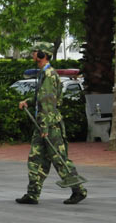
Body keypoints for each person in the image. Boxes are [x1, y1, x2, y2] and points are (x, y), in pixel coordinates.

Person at [16, 43, 87, 205]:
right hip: (43, 124)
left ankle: (79, 190)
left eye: (35, 52)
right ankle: (33, 194)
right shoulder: (43, 74)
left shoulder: (48, 75)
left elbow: (48, 103)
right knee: (35, 158)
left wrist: (45, 127)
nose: (33, 55)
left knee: (59, 159)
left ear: (42, 55)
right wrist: (27, 101)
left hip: (49, 125)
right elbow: (41, 99)